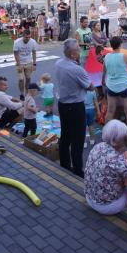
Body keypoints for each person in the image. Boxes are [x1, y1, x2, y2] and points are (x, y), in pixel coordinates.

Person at [54, 39, 95, 177]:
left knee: (65, 135)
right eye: (78, 49)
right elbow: (90, 86)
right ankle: (77, 169)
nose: (80, 50)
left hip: (62, 104)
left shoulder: (58, 63)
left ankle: (65, 164)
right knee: (78, 139)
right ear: (72, 54)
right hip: (75, 106)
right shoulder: (77, 69)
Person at [84, 120, 127, 214]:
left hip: (90, 198)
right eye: (124, 138)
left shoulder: (98, 146)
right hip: (106, 206)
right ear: (116, 141)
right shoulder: (118, 160)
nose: (126, 141)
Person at [12, 29, 37, 96]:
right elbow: (16, 54)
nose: (28, 39)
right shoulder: (17, 42)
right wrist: (19, 65)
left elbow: (34, 53)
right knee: (21, 79)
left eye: (29, 37)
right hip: (20, 62)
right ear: (23, 36)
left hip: (29, 62)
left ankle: (27, 92)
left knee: (28, 78)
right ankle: (22, 93)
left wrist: (34, 64)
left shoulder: (33, 42)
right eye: (26, 37)